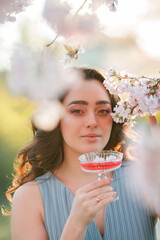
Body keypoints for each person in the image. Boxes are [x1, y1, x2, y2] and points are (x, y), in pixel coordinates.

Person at [6, 67, 159, 240]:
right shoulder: (30, 197)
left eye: (103, 111)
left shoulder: (142, 177)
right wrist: (76, 226)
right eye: (77, 111)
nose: (92, 122)